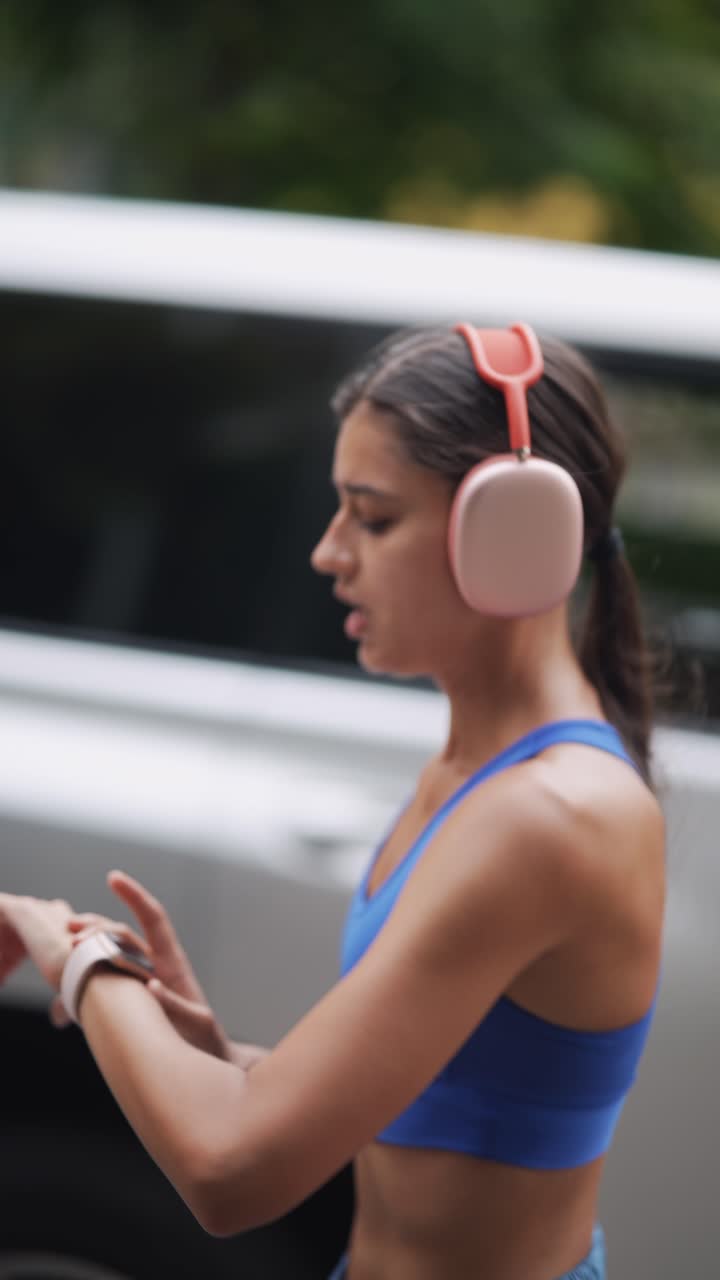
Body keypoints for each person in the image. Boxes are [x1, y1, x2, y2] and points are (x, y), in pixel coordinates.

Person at [0, 323, 665, 1280]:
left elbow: (229, 1176)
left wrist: (80, 961)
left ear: (514, 534)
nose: (328, 552)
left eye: (373, 517)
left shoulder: (548, 815)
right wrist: (228, 1064)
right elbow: (454, 1113)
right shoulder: (478, 770)